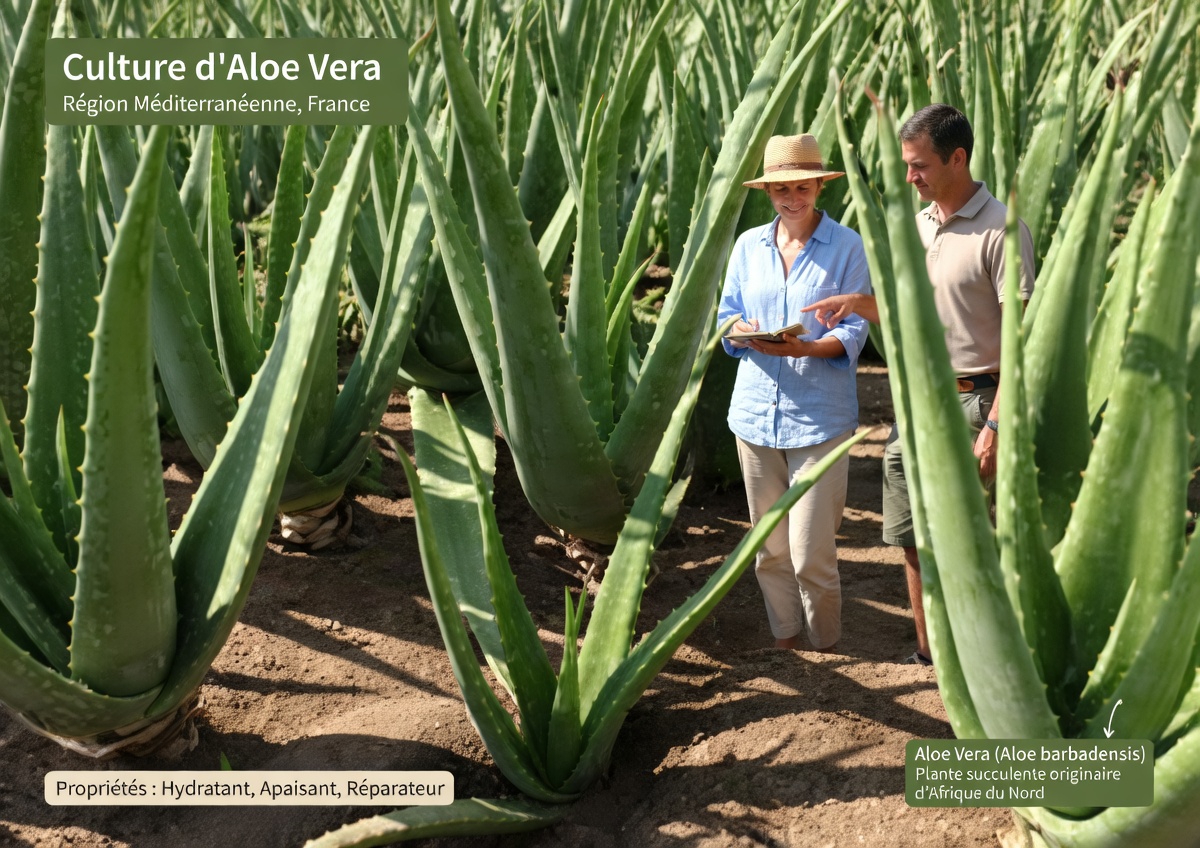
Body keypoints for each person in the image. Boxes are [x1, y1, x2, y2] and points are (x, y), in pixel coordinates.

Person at [803, 104, 1036, 665]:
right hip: (920, 402)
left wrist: (998, 424)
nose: (909, 177)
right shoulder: (918, 225)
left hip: (978, 400)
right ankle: (930, 654)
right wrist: (859, 304)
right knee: (910, 533)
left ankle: (991, 662)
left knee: (979, 539)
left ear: (958, 158)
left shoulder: (1002, 230)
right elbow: (913, 314)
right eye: (906, 166)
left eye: (919, 165)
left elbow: (1021, 339)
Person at [719, 133, 872, 652]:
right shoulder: (748, 247)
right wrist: (747, 332)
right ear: (769, 192)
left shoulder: (847, 246)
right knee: (769, 551)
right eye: (782, 189)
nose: (792, 199)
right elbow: (727, 320)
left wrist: (805, 350)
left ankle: (828, 651)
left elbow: (853, 333)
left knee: (811, 554)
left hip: (820, 419)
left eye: (802, 187)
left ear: (818, 188)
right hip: (756, 415)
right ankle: (787, 646)